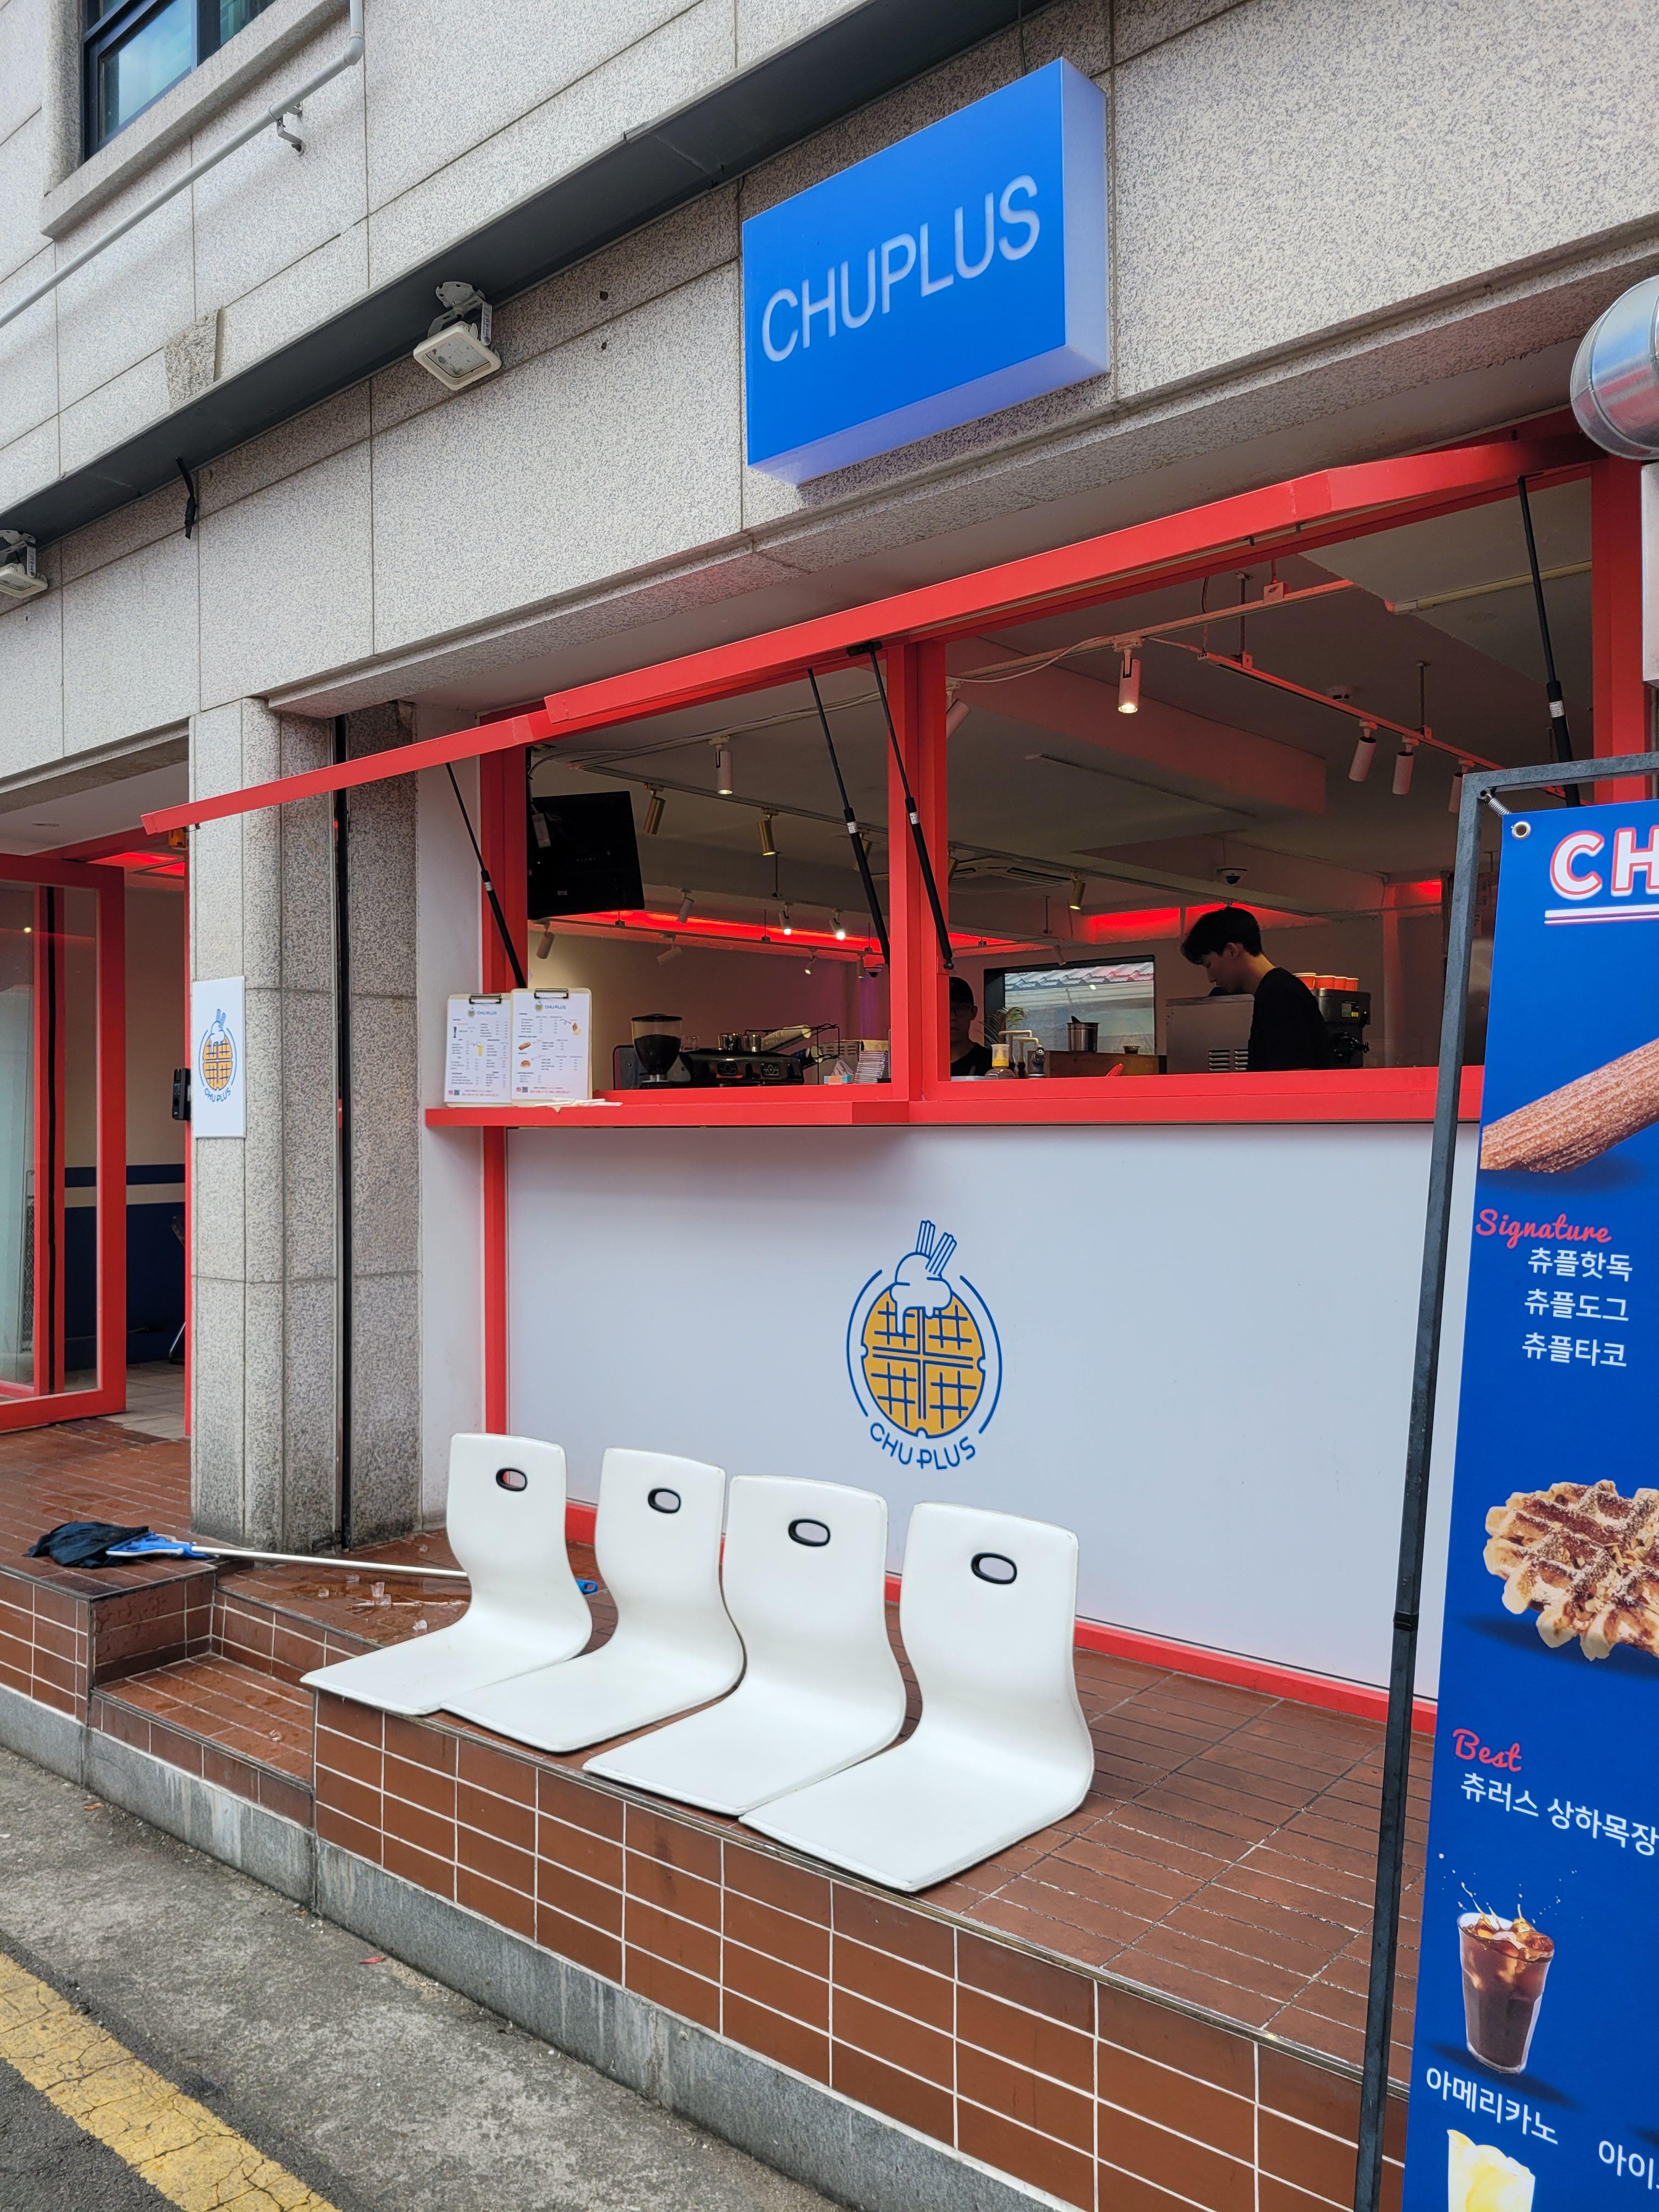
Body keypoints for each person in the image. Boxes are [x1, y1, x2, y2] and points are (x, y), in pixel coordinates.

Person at [1179, 906, 1334, 1071]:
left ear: (1231, 951)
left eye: (1209, 965)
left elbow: (1294, 1075)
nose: (1210, 978)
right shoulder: (1276, 988)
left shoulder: (1278, 993)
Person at [949, 975, 994, 1075]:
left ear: (973, 1012)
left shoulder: (992, 1065)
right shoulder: (922, 1064)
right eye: (945, 1009)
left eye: (960, 1009)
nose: (952, 1017)